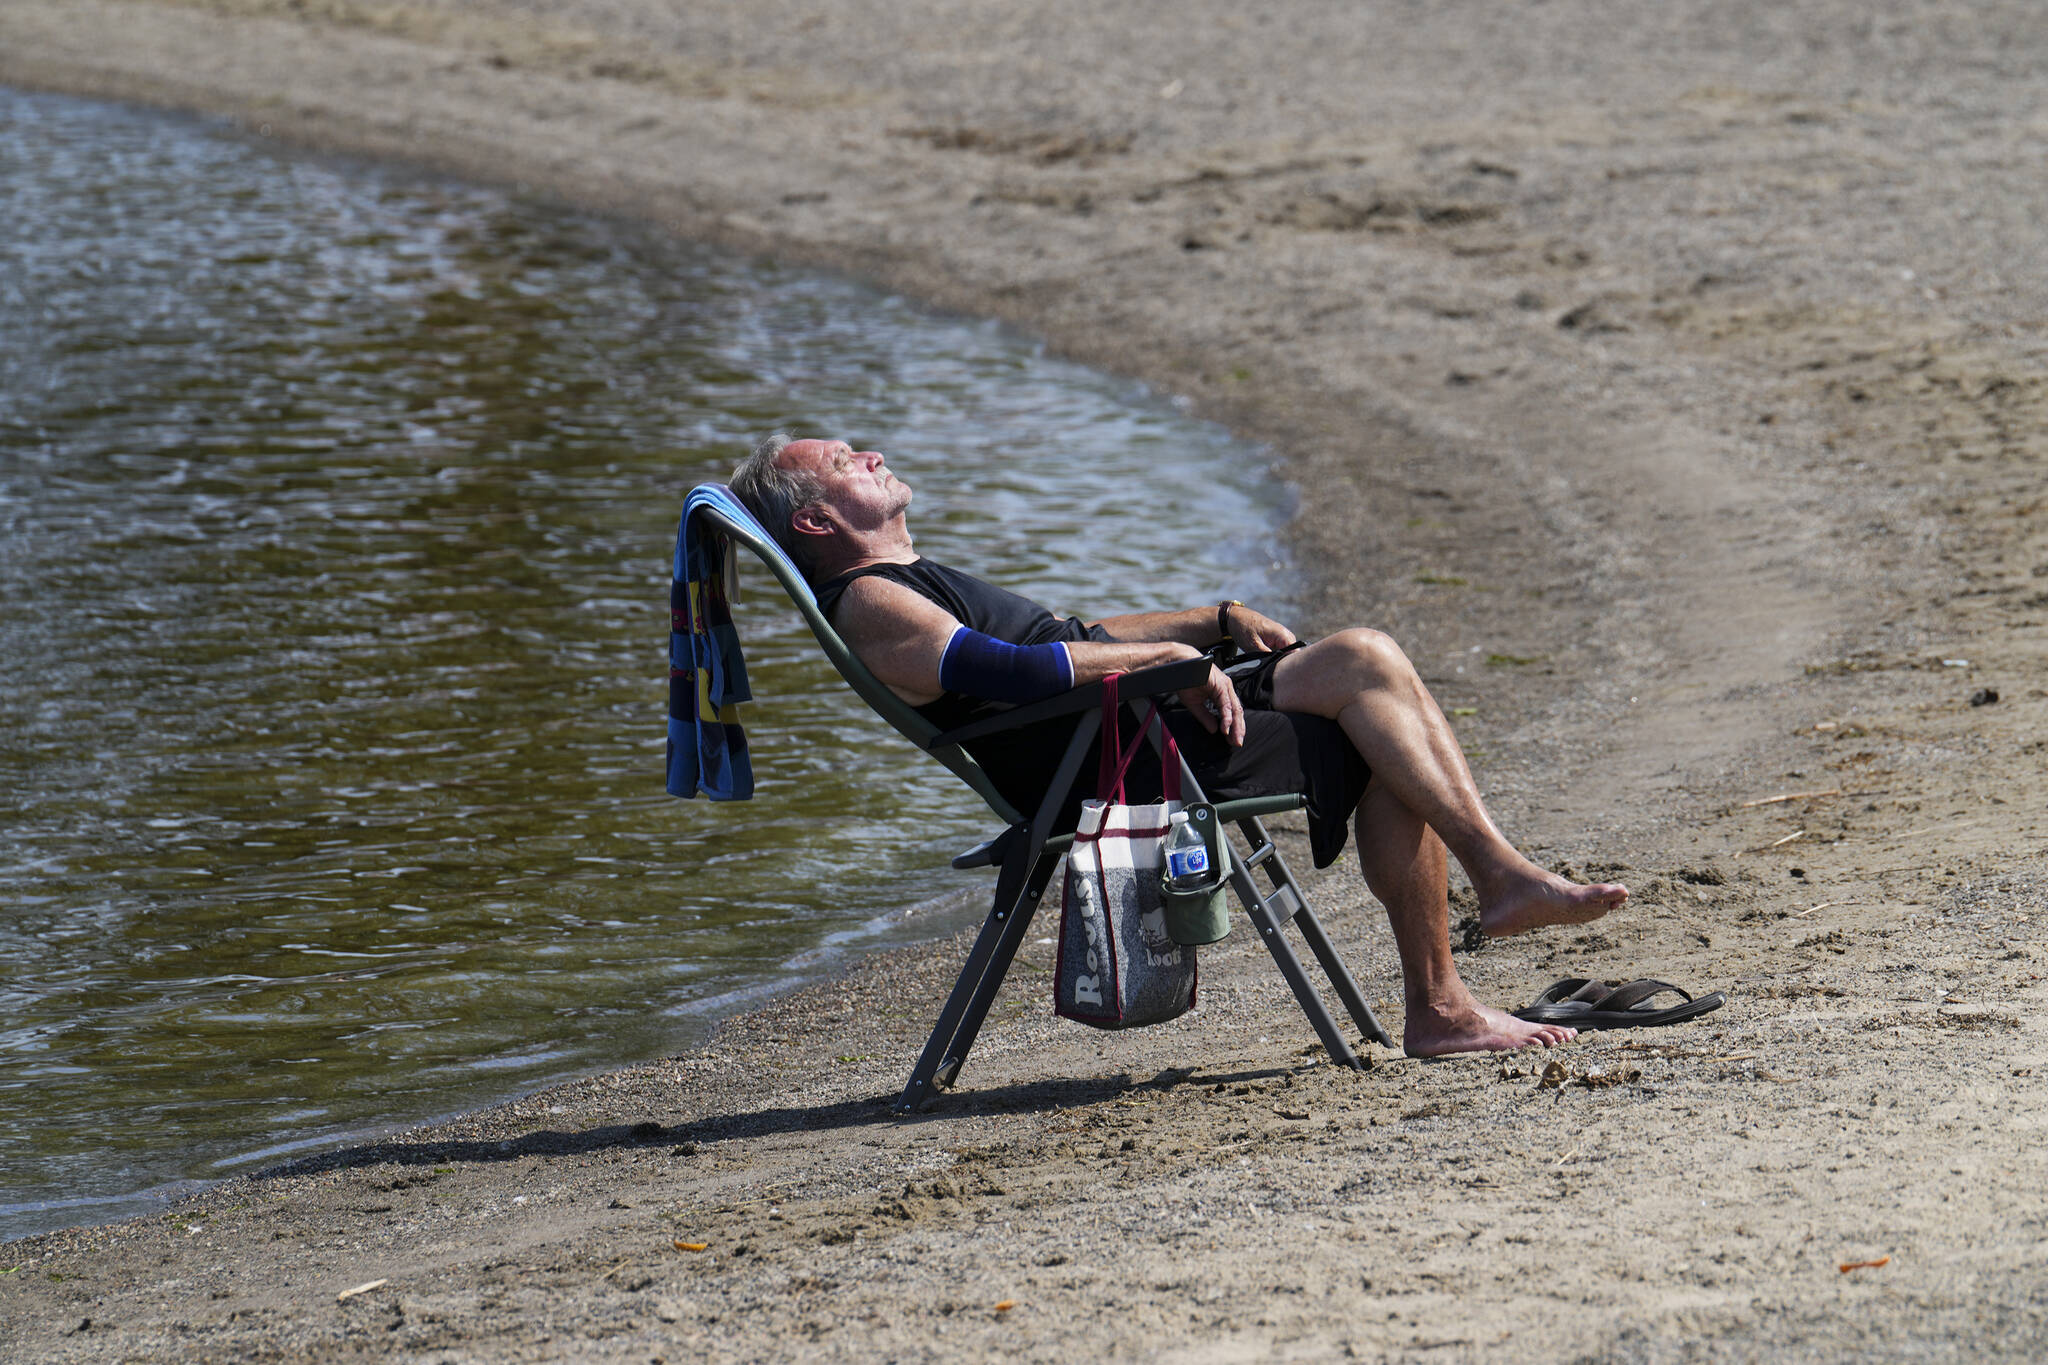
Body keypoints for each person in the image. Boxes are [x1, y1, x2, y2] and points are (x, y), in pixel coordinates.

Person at [729, 432, 1628, 1056]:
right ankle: (1460, 964)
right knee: (1378, 709)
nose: (872, 455)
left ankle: (1478, 929)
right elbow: (1001, 668)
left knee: (1365, 662)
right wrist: (1162, 659)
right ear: (815, 522)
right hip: (1118, 760)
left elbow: (1065, 632)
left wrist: (1211, 621)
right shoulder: (871, 598)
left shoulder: (905, 579)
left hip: (1129, 725)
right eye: (846, 461)